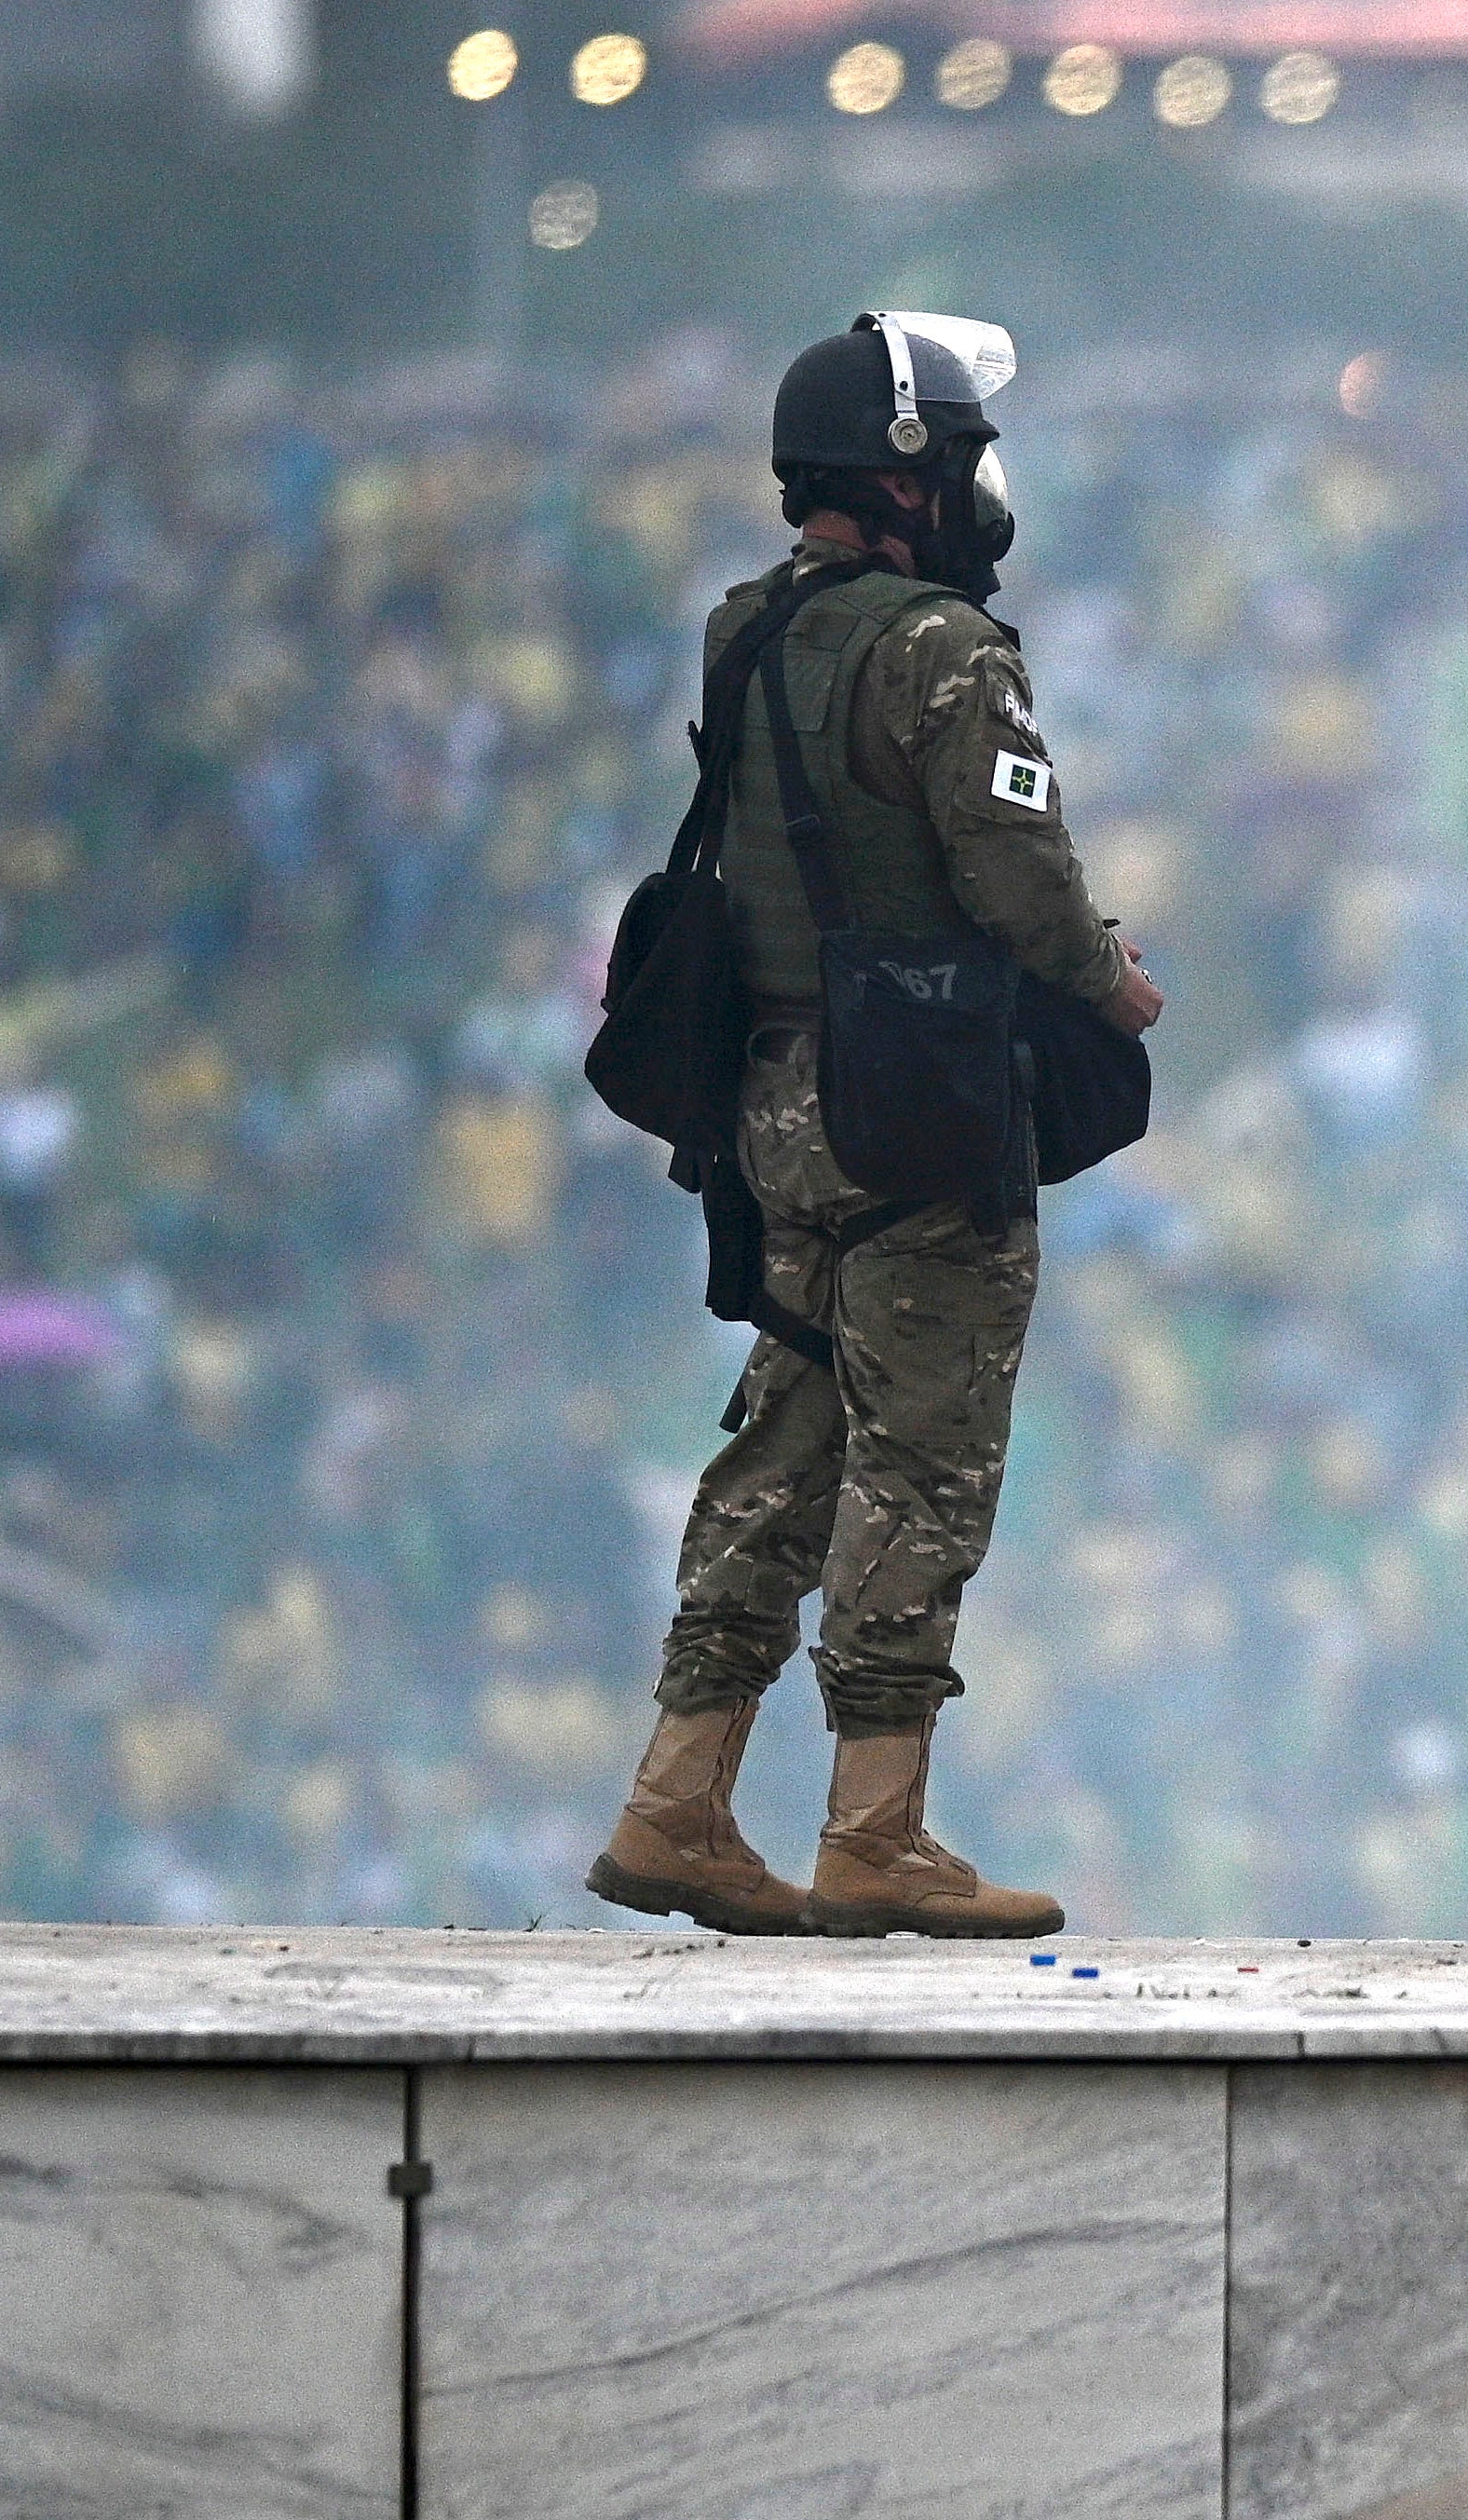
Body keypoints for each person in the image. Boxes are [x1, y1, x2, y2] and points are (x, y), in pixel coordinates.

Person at [588, 313, 1164, 1941]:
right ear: (910, 470)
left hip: (776, 1094)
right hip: (915, 1102)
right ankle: (875, 1828)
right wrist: (1107, 974)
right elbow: (1017, 874)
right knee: (923, 1457)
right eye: (963, 451)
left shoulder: (744, 627)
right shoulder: (943, 649)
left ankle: (677, 1798)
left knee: (784, 1434)